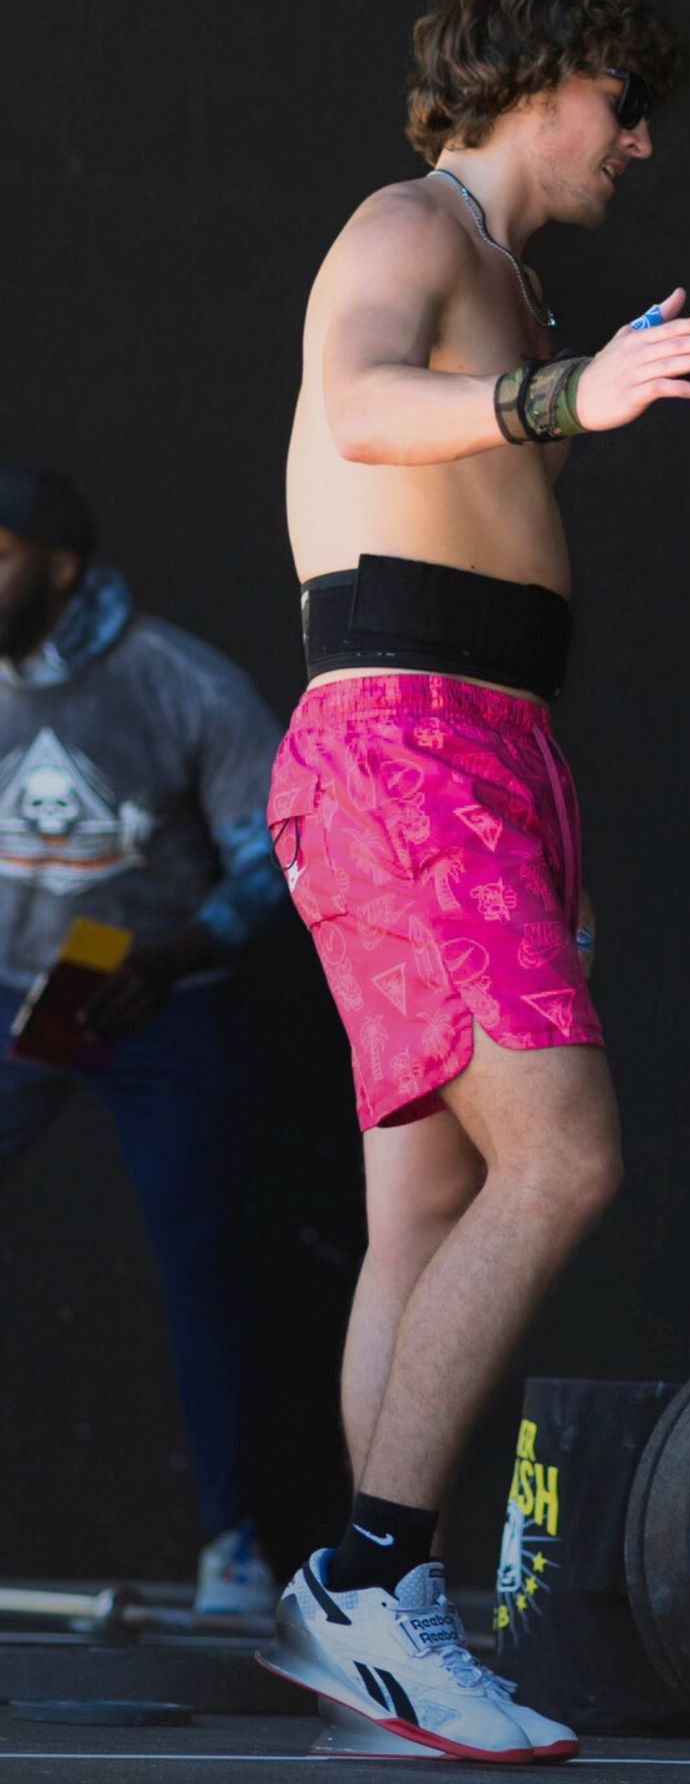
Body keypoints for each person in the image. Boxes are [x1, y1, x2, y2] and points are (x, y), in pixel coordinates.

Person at [258, 0, 690, 1762]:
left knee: (432, 1211)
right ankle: (375, 1584)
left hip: (483, 756)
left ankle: (362, 1600)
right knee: (570, 1156)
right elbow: (366, 406)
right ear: (551, 78)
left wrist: (555, 835)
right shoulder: (412, 230)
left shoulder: (513, 280)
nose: (638, 146)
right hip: (404, 753)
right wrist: (565, 401)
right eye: (627, 107)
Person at [0, 466, 284, 1614]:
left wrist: (182, 943)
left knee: (202, 1266)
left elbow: (275, 850)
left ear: (62, 570)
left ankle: (239, 1541)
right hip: (18, 982)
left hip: (132, 980)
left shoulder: (177, 682)